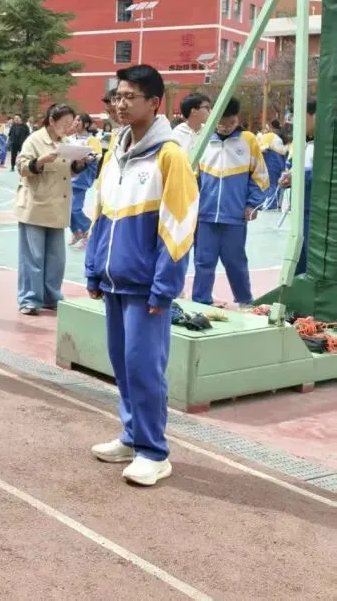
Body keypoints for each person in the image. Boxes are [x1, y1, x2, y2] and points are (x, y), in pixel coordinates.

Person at [85, 65, 198, 487]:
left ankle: (154, 451)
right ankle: (132, 436)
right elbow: (101, 213)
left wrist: (164, 286)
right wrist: (94, 269)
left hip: (145, 286)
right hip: (114, 281)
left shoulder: (169, 156)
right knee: (123, 364)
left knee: (144, 367)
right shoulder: (115, 151)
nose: (120, 103)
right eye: (117, 96)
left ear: (155, 103)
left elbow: (179, 225)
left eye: (129, 96)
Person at [15, 104, 94, 315]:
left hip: (58, 207)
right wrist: (39, 161)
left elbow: (68, 171)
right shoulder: (35, 140)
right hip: (36, 206)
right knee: (33, 257)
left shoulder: (66, 143)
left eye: (71, 124)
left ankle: (52, 296)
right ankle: (30, 299)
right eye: (65, 123)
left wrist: (81, 163)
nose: (68, 128)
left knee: (56, 258)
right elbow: (21, 167)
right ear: (52, 120)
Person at [192, 97, 268, 307]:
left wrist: (252, 204)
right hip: (205, 216)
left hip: (235, 216)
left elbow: (260, 176)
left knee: (236, 263)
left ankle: (245, 302)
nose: (226, 126)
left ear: (238, 118)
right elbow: (192, 178)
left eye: (231, 122)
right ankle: (200, 302)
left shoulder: (248, 140)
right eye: (221, 122)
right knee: (203, 262)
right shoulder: (203, 139)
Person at [279, 99, 316, 276]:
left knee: (314, 260)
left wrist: (301, 176)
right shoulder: (301, 142)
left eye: (301, 117)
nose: (296, 123)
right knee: (298, 259)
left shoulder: (327, 144)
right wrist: (286, 179)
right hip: (300, 210)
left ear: (315, 115)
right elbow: (293, 167)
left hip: (318, 212)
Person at [68, 114, 102, 248]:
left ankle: (88, 231)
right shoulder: (69, 139)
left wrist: (88, 158)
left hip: (81, 177)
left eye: (78, 120)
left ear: (86, 124)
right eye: (74, 120)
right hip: (67, 175)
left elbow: (97, 155)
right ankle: (76, 232)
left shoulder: (92, 140)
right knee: (66, 209)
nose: (75, 122)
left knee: (75, 209)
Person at [170, 93, 212, 160]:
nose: (211, 111)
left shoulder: (209, 132)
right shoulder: (176, 135)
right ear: (194, 111)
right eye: (207, 108)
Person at [258, 120, 287, 210]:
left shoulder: (267, 136)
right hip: (275, 163)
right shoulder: (276, 137)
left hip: (268, 162)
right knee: (275, 185)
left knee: (268, 185)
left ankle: (266, 204)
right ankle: (272, 205)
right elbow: (283, 151)